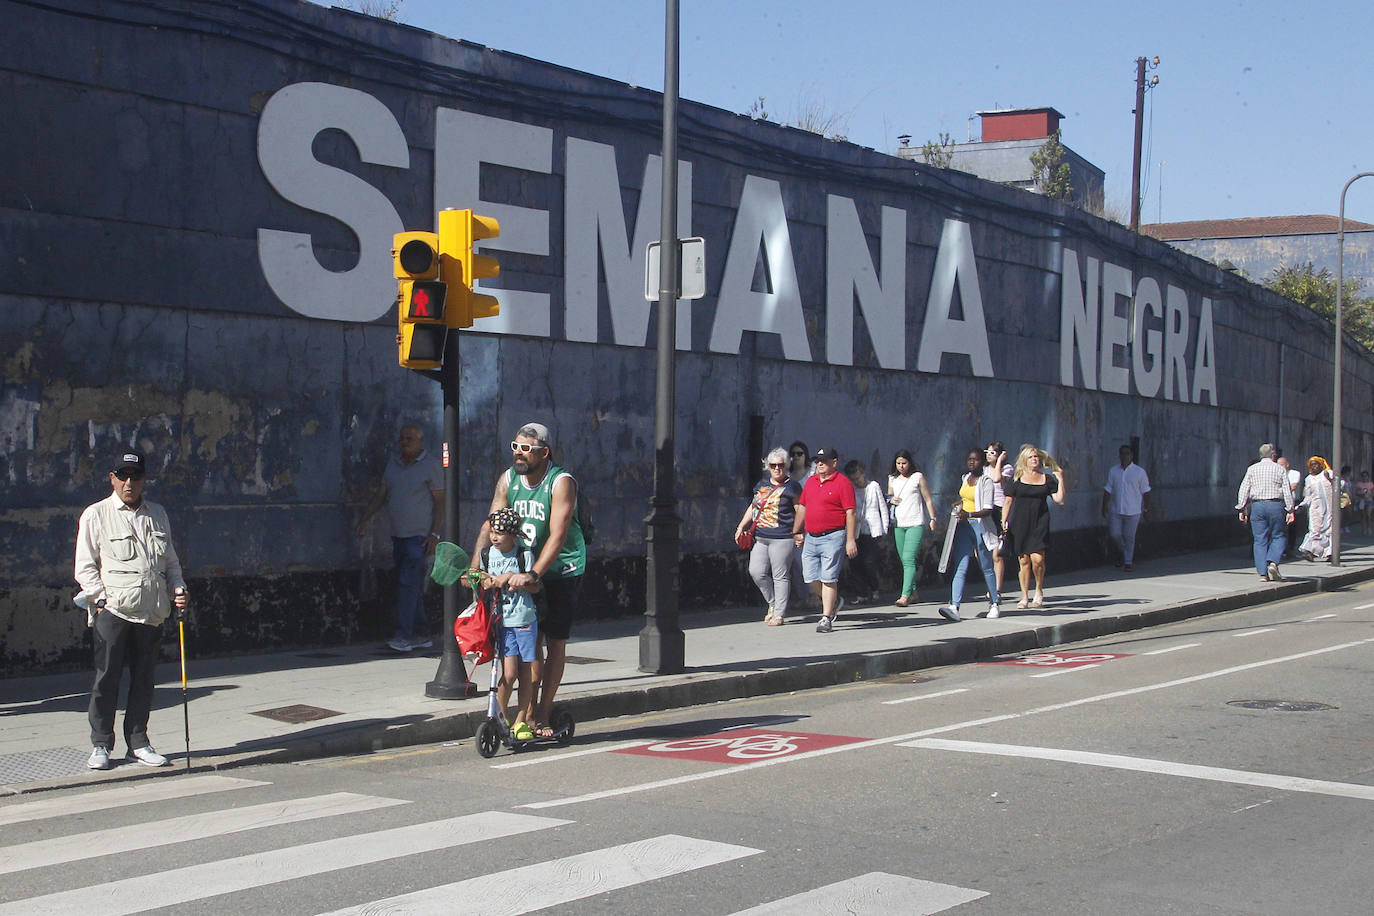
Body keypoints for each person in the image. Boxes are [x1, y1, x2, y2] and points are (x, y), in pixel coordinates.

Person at [74, 450, 189, 769]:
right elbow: (84, 566)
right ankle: (101, 745)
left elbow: (170, 562)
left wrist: (179, 589)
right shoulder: (96, 514)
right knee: (106, 679)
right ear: (112, 478)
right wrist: (100, 600)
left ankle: (138, 742)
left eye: (135, 477)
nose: (129, 482)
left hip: (151, 611)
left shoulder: (158, 514)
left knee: (144, 680)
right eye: (122, 476)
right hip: (113, 611)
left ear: (144, 481)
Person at [474, 421, 586, 738]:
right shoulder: (509, 480)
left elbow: (558, 536)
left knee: (555, 642)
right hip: (521, 567)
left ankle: (543, 712)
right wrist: (476, 568)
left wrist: (534, 573)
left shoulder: (560, 482)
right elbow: (491, 524)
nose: (519, 454)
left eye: (527, 449)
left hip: (561, 569)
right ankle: (523, 714)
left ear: (544, 452)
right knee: (528, 644)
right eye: (516, 447)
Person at [356, 423, 444, 653]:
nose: (405, 442)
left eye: (410, 439)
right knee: (409, 586)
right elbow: (382, 494)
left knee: (407, 584)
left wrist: (435, 534)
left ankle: (403, 635)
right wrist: (365, 518)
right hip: (398, 535)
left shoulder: (431, 466)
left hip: (419, 537)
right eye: (402, 439)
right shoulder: (393, 465)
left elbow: (440, 502)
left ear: (420, 441)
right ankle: (423, 633)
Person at [476, 508, 541, 742]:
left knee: (526, 674)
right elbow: (478, 579)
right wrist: (484, 580)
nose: (494, 537)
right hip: (501, 622)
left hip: (523, 620)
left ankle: (520, 720)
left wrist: (518, 579)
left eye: (501, 533)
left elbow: (536, 586)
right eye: (493, 532)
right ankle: (502, 718)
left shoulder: (523, 555)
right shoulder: (487, 555)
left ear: (514, 536)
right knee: (508, 673)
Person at [792, 447, 858, 633]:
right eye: (818, 460)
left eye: (824, 460)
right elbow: (803, 507)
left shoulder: (842, 483)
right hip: (811, 537)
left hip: (833, 536)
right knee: (810, 577)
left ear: (834, 463)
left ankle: (826, 618)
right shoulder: (811, 482)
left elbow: (851, 512)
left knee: (828, 577)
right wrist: (797, 530)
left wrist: (850, 539)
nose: (820, 463)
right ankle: (834, 600)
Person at [734, 447, 802, 626]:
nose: (777, 468)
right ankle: (772, 604)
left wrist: (798, 531)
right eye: (773, 465)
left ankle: (779, 613)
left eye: (781, 465)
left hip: (783, 536)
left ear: (787, 466)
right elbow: (754, 506)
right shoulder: (761, 485)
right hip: (761, 536)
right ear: (768, 467)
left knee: (780, 575)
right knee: (756, 571)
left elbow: (800, 510)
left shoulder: (792, 486)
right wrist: (742, 525)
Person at [938, 449, 1001, 621]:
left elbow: (988, 509)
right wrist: (959, 505)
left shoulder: (986, 481)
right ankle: (954, 606)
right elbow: (966, 499)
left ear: (982, 462)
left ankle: (994, 602)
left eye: (976, 460)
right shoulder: (966, 478)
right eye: (969, 459)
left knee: (986, 566)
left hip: (979, 526)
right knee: (960, 565)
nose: (972, 462)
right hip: (964, 527)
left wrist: (970, 515)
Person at [1002, 445, 1067, 609]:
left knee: (1038, 559)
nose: (1034, 459)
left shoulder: (1047, 479)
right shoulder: (1017, 478)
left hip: (1040, 522)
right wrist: (1004, 521)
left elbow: (1059, 499)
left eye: (1036, 457)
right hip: (1020, 523)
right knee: (1023, 560)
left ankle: (1038, 590)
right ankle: (1024, 596)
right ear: (1025, 460)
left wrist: (1061, 479)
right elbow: (1008, 500)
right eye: (1031, 457)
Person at [1235, 443, 1297, 581]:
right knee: (1279, 536)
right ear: (1273, 455)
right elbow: (1287, 490)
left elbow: (1244, 488)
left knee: (1259, 540)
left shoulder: (1252, 469)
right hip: (1276, 505)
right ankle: (1273, 562)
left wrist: (1242, 508)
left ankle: (1262, 573)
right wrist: (1290, 509)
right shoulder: (1279, 469)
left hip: (1257, 506)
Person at [887, 449, 936, 606]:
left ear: (910, 463)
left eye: (904, 463)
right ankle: (913, 592)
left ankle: (904, 595)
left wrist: (933, 518)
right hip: (899, 524)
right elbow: (888, 498)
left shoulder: (917, 477)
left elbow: (927, 498)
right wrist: (891, 500)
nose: (901, 466)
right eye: (898, 463)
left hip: (915, 522)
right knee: (905, 560)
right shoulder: (892, 479)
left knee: (908, 559)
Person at [843, 459, 889, 605]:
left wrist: (885, 527)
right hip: (856, 530)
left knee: (869, 562)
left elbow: (882, 506)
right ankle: (861, 593)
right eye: (853, 479)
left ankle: (874, 588)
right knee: (855, 563)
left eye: (858, 477)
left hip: (872, 530)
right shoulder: (850, 489)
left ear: (863, 473)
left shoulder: (873, 486)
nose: (856, 481)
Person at [1100, 444, 1151, 571]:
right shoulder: (1114, 471)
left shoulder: (1139, 472)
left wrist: (1146, 509)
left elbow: (1146, 491)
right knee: (1115, 534)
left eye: (1127, 453)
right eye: (1122, 453)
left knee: (1129, 537)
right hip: (1116, 509)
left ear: (1132, 455)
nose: (1124, 456)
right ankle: (1122, 552)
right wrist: (1104, 505)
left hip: (1133, 511)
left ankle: (1128, 562)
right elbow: (1108, 488)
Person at [983, 441, 1013, 593]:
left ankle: (996, 589)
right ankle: (990, 582)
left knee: (997, 554)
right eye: (987, 452)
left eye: (993, 452)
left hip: (1000, 510)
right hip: (985, 510)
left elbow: (996, 479)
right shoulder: (983, 469)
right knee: (982, 552)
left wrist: (1000, 461)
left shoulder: (1007, 469)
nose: (989, 455)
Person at [1297, 456, 1334, 562]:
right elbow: (1308, 496)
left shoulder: (1328, 473)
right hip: (1316, 509)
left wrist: (1330, 479)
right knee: (1315, 529)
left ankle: (1330, 553)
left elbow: (1340, 485)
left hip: (1330, 508)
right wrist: (1301, 505)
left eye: (1316, 464)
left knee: (1330, 531)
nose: (1314, 467)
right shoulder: (1308, 479)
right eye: (1312, 465)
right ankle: (1308, 551)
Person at [1355, 470, 1374, 535]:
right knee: (1363, 515)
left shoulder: (1371, 484)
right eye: (1363, 476)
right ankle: (1364, 528)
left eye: (1366, 476)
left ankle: (1369, 527)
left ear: (1368, 477)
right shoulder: (1359, 484)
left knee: (1368, 515)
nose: (1364, 477)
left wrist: (1369, 495)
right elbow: (1356, 492)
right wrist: (1361, 495)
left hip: (1369, 500)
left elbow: (1373, 492)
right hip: (1362, 501)